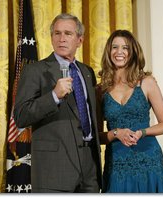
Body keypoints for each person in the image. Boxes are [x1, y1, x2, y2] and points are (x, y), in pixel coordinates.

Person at [14, 13, 102, 193]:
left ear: (80, 40)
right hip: (53, 170)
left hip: (89, 167)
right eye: (57, 33)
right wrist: (53, 96)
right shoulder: (35, 70)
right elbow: (21, 116)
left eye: (68, 34)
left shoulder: (87, 72)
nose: (61, 39)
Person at [96, 30, 163, 193]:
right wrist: (116, 133)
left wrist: (142, 132)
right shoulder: (100, 89)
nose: (119, 52)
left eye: (125, 48)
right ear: (109, 52)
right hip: (116, 165)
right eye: (115, 47)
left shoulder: (146, 82)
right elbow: (97, 136)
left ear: (133, 52)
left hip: (148, 161)